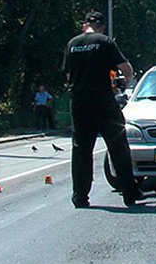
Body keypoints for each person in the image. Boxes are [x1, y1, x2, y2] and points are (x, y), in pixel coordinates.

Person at [62, 10, 147, 208]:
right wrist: (123, 82)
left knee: (81, 150)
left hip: (79, 101)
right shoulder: (105, 42)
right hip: (102, 100)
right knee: (118, 147)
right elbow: (126, 68)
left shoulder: (72, 44)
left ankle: (80, 196)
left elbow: (67, 75)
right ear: (102, 27)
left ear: (84, 25)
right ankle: (130, 193)